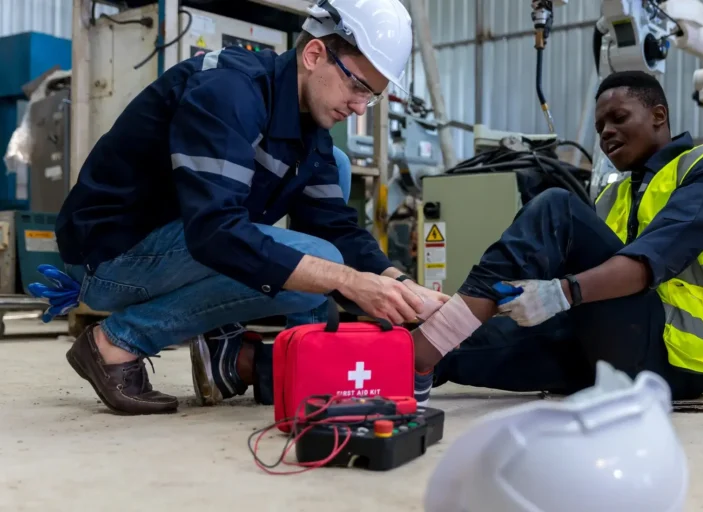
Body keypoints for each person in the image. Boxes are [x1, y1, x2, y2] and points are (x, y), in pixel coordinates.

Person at [200, 70, 703, 405]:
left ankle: (432, 339)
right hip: (607, 353)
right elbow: (584, 279)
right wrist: (515, 301)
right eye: (600, 128)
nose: (608, 133)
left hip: (675, 360)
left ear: (660, 116)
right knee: (447, 352)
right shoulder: (619, 190)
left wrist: (562, 294)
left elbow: (645, 266)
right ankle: (249, 365)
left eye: (619, 118)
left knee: (556, 209)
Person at [55, 0, 448, 416]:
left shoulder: (307, 125)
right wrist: (348, 280)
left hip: (177, 242)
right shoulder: (228, 93)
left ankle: (297, 364)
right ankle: (117, 342)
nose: (357, 107)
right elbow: (215, 232)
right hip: (110, 256)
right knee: (323, 265)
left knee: (337, 177)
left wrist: (400, 284)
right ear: (314, 54)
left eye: (370, 97)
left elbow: (335, 227)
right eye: (357, 87)